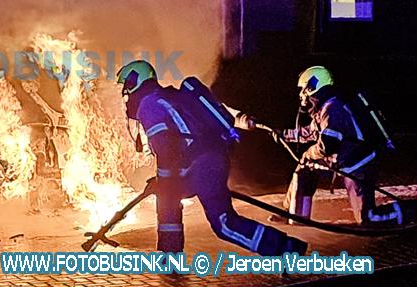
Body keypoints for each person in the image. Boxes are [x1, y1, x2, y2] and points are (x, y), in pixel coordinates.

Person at [117, 60, 307, 255]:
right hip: (202, 161)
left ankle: (287, 249)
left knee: (224, 223)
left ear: (134, 83)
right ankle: (170, 257)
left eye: (125, 89)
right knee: (168, 198)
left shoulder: (149, 104)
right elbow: (176, 148)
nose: (125, 97)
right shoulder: (166, 98)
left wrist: (163, 180)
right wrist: (163, 183)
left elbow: (165, 151)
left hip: (204, 163)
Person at [270, 66, 410, 225]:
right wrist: (284, 134)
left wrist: (309, 153)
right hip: (342, 160)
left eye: (303, 89)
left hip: (358, 166)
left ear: (312, 87)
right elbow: (312, 132)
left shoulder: (333, 109)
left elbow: (327, 146)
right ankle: (295, 215)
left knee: (369, 220)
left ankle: (410, 211)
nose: (301, 95)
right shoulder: (324, 108)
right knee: (305, 167)